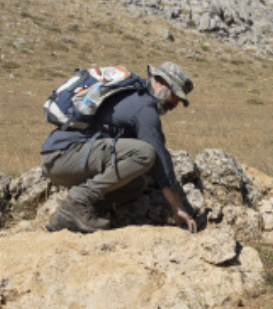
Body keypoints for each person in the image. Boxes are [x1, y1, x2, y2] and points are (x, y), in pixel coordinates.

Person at [41, 62, 198, 233]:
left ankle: (68, 216)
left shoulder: (133, 96)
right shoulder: (143, 107)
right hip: (63, 155)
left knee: (136, 184)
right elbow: (159, 157)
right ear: (160, 81)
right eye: (175, 95)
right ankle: (78, 201)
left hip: (61, 159)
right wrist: (178, 208)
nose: (176, 103)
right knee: (144, 153)